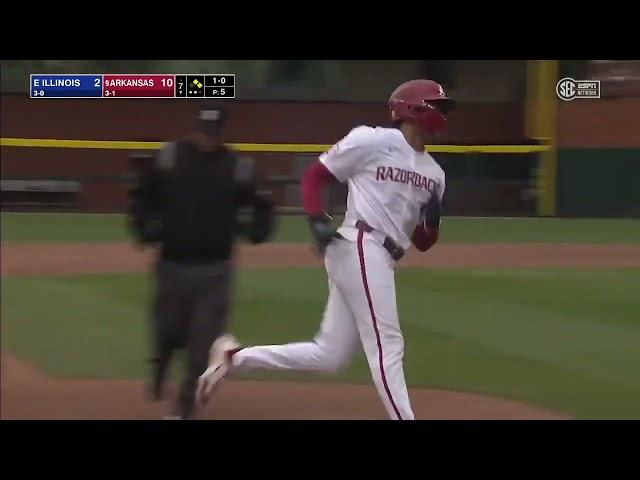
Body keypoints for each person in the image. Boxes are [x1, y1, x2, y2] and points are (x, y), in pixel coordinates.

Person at [196, 79, 454, 420]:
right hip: (362, 244)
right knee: (388, 344)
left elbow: (422, 241)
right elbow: (315, 176)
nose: (444, 114)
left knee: (329, 356)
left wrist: (431, 226)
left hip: (383, 256)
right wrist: (317, 219)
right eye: (439, 105)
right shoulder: (372, 140)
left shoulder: (435, 174)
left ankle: (234, 358)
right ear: (414, 108)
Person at [127, 103, 275, 419]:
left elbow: (263, 203)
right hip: (172, 265)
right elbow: (141, 195)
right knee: (167, 331)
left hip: (215, 269)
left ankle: (183, 408)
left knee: (203, 344)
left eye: (213, 133)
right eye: (203, 131)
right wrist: (143, 228)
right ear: (194, 127)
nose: (207, 138)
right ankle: (160, 366)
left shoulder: (236, 166)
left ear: (221, 133)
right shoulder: (169, 158)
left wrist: (257, 231)